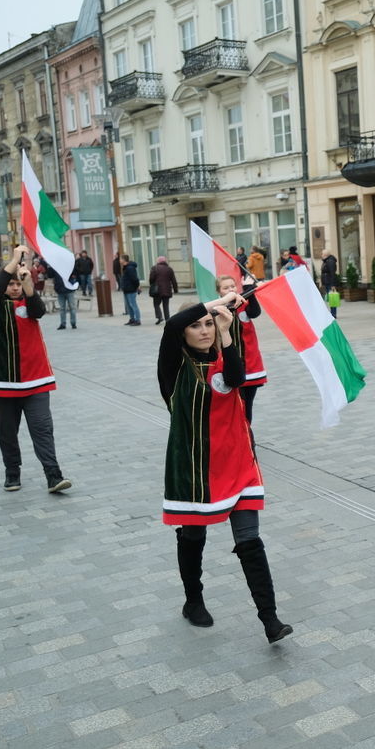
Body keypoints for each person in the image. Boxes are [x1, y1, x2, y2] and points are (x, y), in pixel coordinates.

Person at [159, 293, 292, 644]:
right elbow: (172, 323)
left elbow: (236, 377)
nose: (203, 330)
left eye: (208, 325)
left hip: (238, 465)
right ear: (183, 333)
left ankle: (270, 620)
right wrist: (218, 301)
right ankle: (193, 599)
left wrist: (227, 333)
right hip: (195, 469)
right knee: (193, 537)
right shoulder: (173, 368)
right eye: (195, 325)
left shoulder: (223, 356)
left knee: (250, 540)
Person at [0, 245, 71, 493]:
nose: (15, 287)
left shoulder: (28, 303)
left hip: (35, 380)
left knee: (42, 430)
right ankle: (12, 472)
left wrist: (28, 282)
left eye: (17, 284)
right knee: (7, 433)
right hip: (2, 381)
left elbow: (38, 310)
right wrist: (14, 260)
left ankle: (53, 475)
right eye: (11, 283)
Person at [216, 274, 267, 422]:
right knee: (233, 406)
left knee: (247, 405)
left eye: (233, 286)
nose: (231, 289)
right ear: (219, 292)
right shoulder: (217, 309)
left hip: (250, 364)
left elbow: (255, 312)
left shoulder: (244, 304)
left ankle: (247, 437)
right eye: (226, 287)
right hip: (228, 364)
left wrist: (250, 292)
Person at [148, 256, 179, 325]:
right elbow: (174, 280)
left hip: (157, 291)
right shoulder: (169, 269)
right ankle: (167, 319)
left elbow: (151, 279)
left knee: (156, 304)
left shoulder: (154, 268)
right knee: (166, 305)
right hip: (167, 290)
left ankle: (159, 317)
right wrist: (175, 290)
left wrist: (152, 285)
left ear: (158, 261)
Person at [46, 265, 78, 331]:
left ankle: (73, 323)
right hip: (60, 290)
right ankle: (63, 324)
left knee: (72, 307)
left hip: (69, 289)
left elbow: (75, 272)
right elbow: (50, 275)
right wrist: (49, 266)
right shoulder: (55, 266)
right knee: (62, 308)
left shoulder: (68, 265)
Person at [119, 254, 141, 325]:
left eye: (120, 259)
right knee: (129, 306)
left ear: (124, 260)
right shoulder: (125, 267)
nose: (119, 260)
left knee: (133, 305)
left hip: (131, 289)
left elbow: (135, 279)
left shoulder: (130, 268)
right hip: (126, 289)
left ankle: (137, 320)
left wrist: (137, 287)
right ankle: (132, 319)